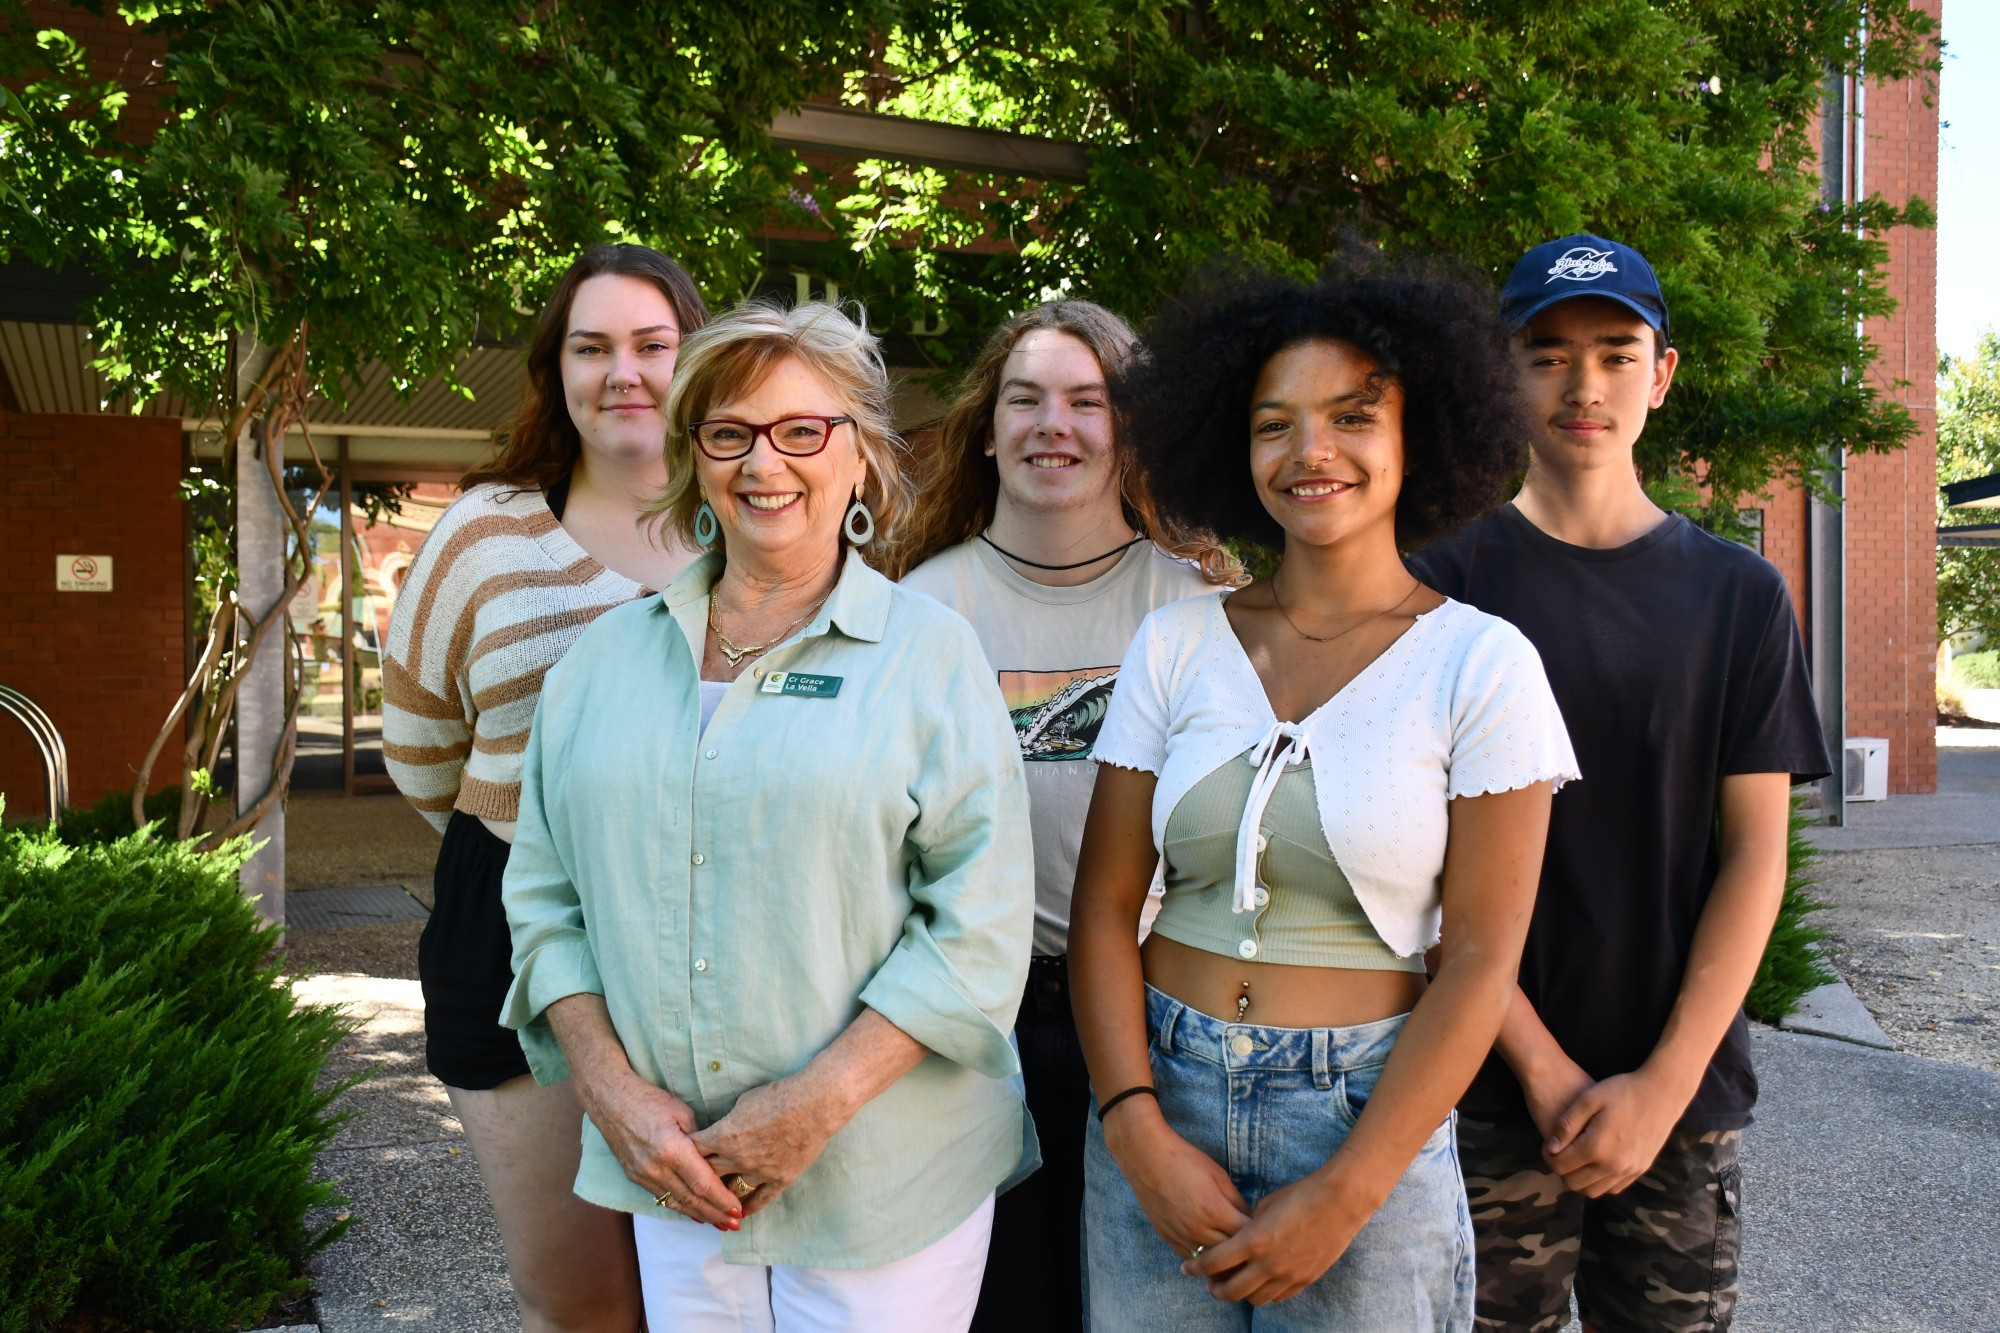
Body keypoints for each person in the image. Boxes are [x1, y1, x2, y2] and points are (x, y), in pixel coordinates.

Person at [498, 299, 1037, 1332]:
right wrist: (609, 1094)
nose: (765, 464)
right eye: (729, 433)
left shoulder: (931, 656)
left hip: (881, 1169)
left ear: (860, 458)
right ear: (693, 459)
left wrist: (813, 1105)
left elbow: (977, 926)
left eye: (801, 431)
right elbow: (544, 896)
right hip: (673, 1163)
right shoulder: (600, 665)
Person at [1069, 255, 1580, 1331]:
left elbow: (1481, 956)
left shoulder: (1479, 666)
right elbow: (1104, 907)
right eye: (1272, 423)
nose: (1310, 452)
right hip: (1162, 1099)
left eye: (1352, 416)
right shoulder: (1172, 644)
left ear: (1418, 435)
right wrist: (1131, 1126)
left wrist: (1350, 1191)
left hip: (1362, 1117)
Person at [1406, 234, 1832, 1333]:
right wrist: (1543, 1071)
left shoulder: (1738, 596)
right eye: (1543, 354)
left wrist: (1662, 1085)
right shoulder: (1436, 586)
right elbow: (1412, 865)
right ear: (1501, 377)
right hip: (1480, 1087)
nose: (1581, 384)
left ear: (1661, 373)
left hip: (1677, 1103)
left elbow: (1752, 855)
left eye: (1612, 350)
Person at [382, 243, 707, 1332]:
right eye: (592, 346)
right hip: (512, 927)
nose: (624, 371)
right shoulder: (482, 534)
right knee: (580, 1301)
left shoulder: (757, 525)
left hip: (714, 932)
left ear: (694, 359)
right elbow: (425, 750)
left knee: (714, 1285)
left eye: (652, 344)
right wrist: (539, 836)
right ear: (555, 371)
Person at [897, 300, 1237, 1332]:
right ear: (986, 427)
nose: (1055, 424)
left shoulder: (1195, 609)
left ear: (1127, 430)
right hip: (969, 1022)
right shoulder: (917, 608)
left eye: (1088, 402)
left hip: (1151, 1022)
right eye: (1026, 398)